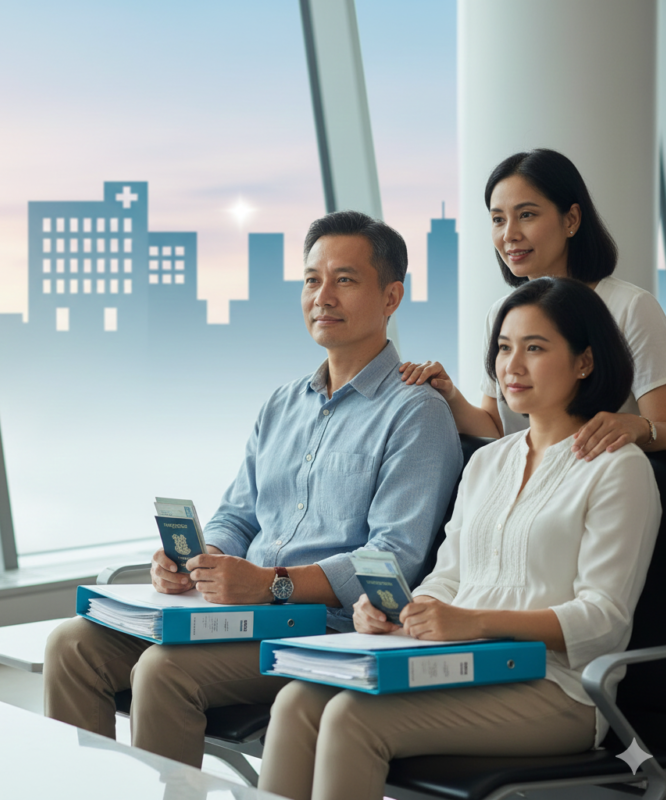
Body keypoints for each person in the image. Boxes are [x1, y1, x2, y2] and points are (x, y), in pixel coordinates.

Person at [43, 210, 462, 768]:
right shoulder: (283, 403)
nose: (323, 296)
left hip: (324, 630)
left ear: (391, 298)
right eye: (312, 280)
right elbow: (237, 516)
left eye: (345, 279)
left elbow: (393, 558)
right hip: (237, 612)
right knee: (72, 646)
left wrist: (274, 585)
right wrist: (202, 558)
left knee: (164, 670)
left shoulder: (416, 413)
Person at [258, 276, 662, 800]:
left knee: (353, 718)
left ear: (585, 361)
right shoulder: (489, 461)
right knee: (297, 701)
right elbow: (448, 577)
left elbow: (604, 621)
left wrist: (473, 621)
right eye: (503, 348)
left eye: (535, 349)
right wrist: (403, 612)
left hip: (556, 691)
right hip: (459, 664)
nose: (512, 367)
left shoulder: (617, 470)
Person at [400, 148, 666, 461]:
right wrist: (448, 394)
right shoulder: (502, 314)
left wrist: (639, 427)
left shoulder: (630, 307)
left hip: (606, 484)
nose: (509, 235)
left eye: (527, 215)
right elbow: (500, 427)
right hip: (528, 483)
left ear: (571, 219)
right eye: (498, 219)